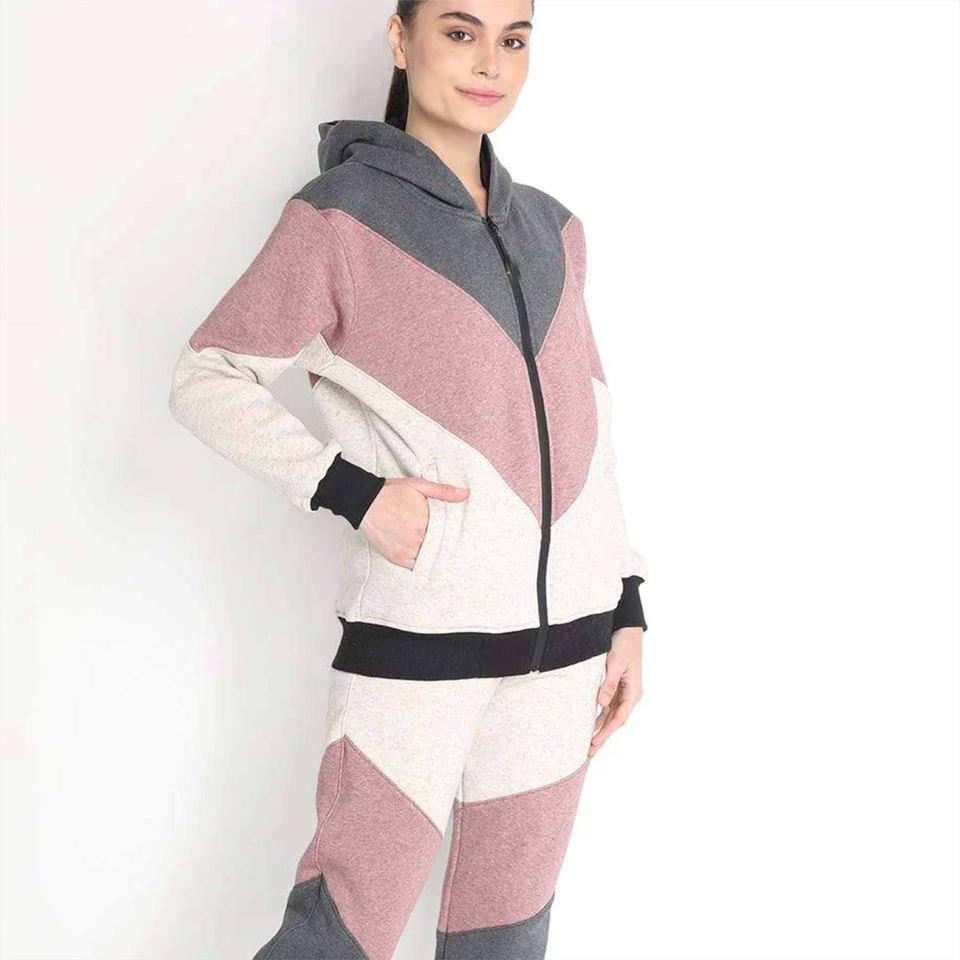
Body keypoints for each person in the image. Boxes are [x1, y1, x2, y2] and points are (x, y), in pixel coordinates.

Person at [167, 2, 651, 957]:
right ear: (401, 40)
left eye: (514, 39)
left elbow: (591, 427)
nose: (490, 64)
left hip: (565, 662)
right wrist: (355, 495)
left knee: (507, 939)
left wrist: (627, 603)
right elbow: (207, 377)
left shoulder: (555, 230)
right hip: (418, 651)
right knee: (339, 936)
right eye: (460, 32)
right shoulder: (340, 219)